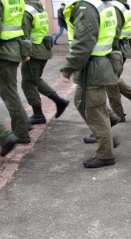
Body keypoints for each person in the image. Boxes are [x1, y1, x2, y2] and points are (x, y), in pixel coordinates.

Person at [60, 0, 122, 168]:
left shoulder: (86, 7)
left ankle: (105, 155)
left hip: (92, 67)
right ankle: (109, 130)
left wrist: (68, 68)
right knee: (82, 102)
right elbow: (115, 33)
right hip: (98, 64)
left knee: (93, 111)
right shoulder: (103, 4)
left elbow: (83, 43)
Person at [82, 0, 131, 144]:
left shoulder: (114, 7)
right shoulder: (119, 6)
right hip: (118, 49)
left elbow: (112, 32)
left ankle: (115, 116)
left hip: (113, 50)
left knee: (108, 82)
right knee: (111, 80)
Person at [21, 0, 69, 125]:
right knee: (35, 79)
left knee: (28, 83)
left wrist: (25, 54)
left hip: (34, 52)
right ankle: (59, 101)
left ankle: (38, 114)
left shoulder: (26, 10)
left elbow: (25, 35)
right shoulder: (39, 8)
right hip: (43, 49)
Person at [0, 0, 32, 144]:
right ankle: (25, 125)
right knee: (11, 91)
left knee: (9, 94)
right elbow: (24, 26)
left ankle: (21, 133)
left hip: (4, 53)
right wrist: (25, 52)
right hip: (14, 50)